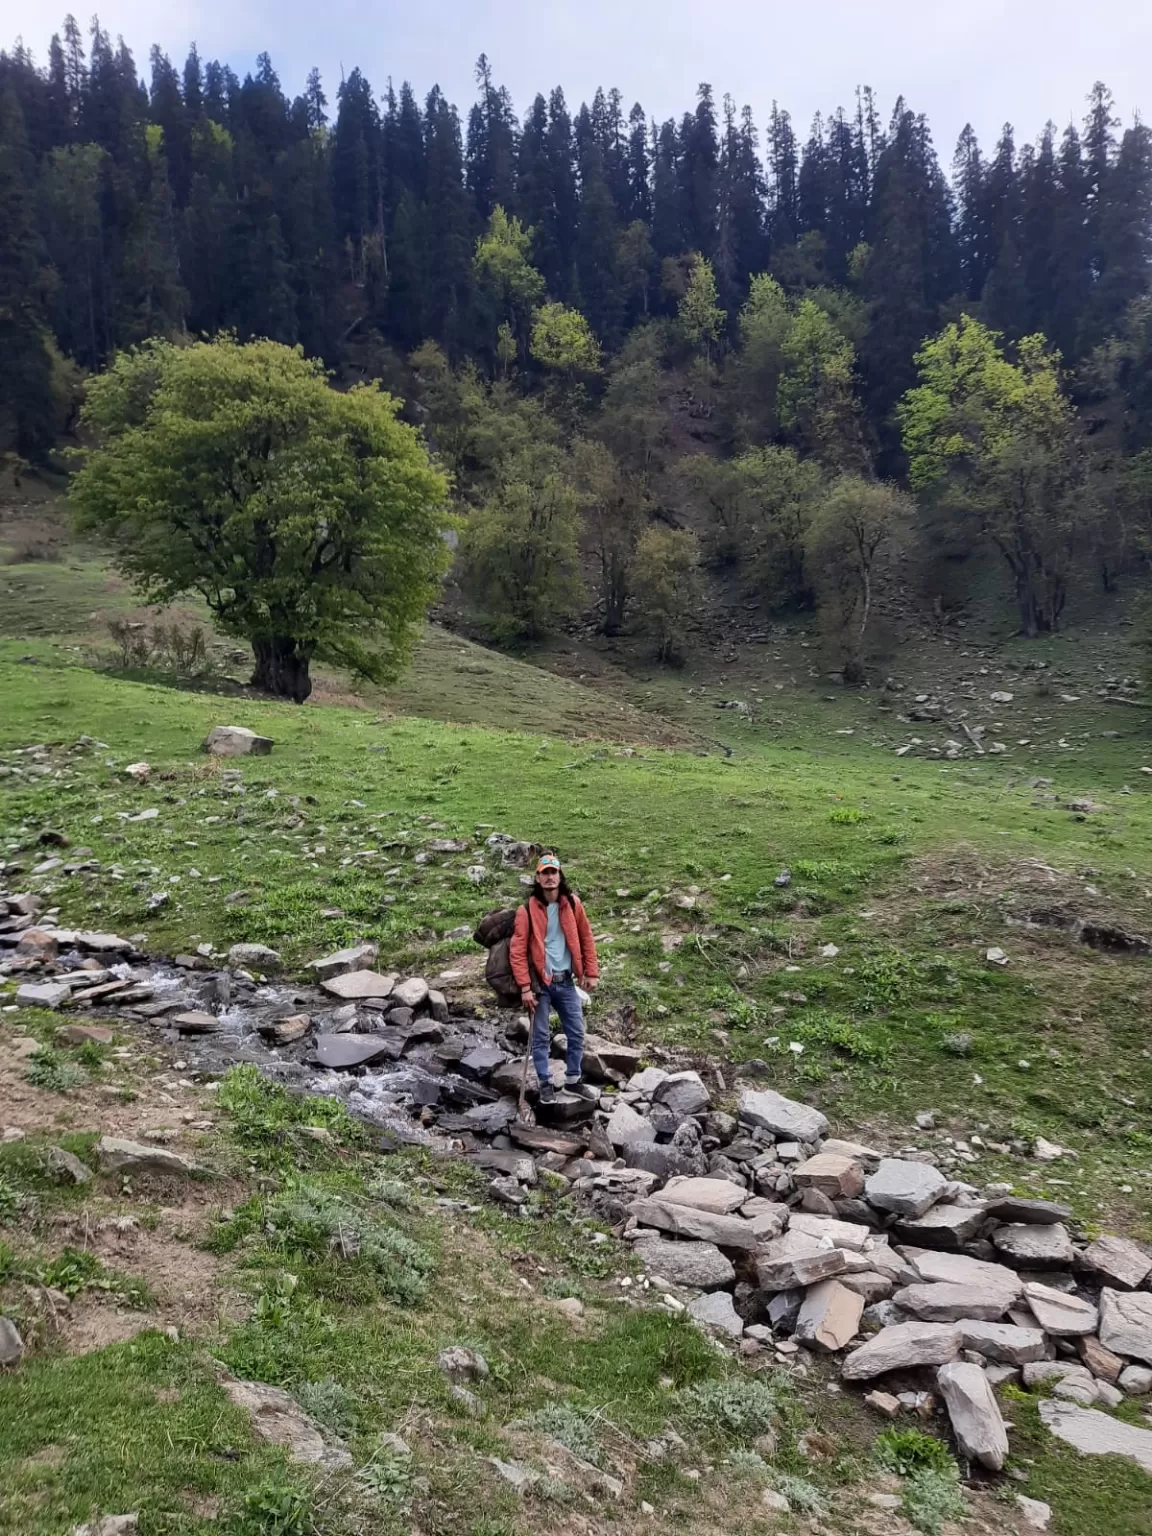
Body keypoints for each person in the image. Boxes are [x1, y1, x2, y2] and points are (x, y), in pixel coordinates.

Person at [510, 852, 599, 1103]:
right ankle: (545, 1082)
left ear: (560, 876)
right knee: (539, 1037)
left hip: (566, 980)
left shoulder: (572, 904)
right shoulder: (526, 909)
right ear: (537, 878)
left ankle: (573, 1080)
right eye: (545, 873)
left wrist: (591, 972)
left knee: (577, 1032)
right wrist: (525, 987)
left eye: (554, 872)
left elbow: (586, 937)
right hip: (541, 985)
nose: (550, 877)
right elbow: (517, 951)